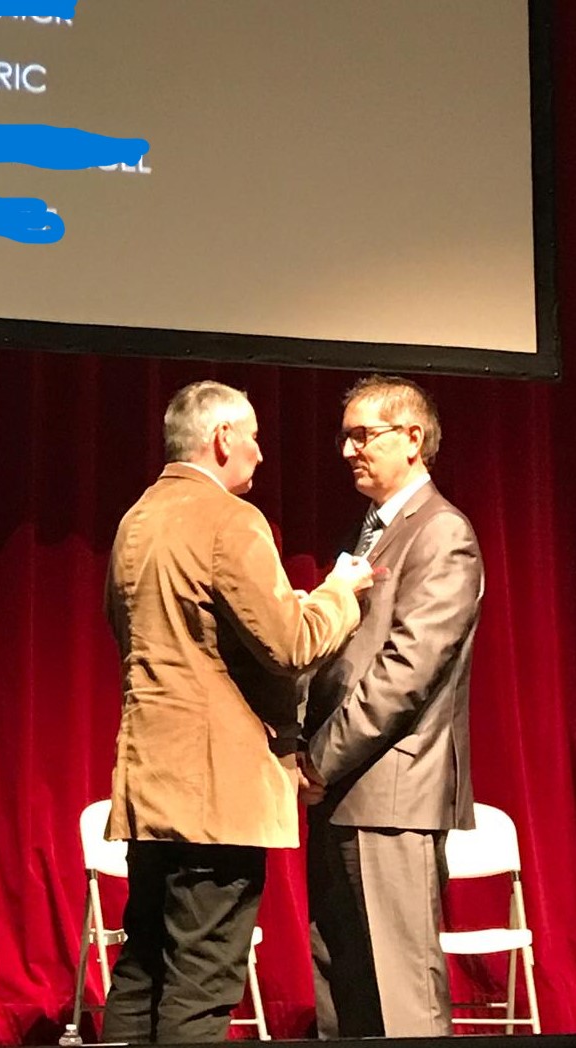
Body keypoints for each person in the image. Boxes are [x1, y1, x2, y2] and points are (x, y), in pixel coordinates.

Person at [101, 380, 373, 1044]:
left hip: (150, 785)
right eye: (252, 437)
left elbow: (126, 631)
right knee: (201, 983)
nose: (258, 453)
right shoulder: (230, 519)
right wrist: (339, 592)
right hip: (215, 795)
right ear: (221, 438)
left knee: (141, 972)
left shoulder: (135, 519)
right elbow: (291, 642)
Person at [300, 374, 484, 1038]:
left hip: (393, 798)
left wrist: (317, 762)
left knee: (399, 995)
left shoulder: (441, 533)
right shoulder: (373, 531)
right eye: (344, 436)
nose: (348, 449)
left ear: (412, 438)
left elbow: (405, 673)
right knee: (345, 987)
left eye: (363, 435)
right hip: (349, 791)